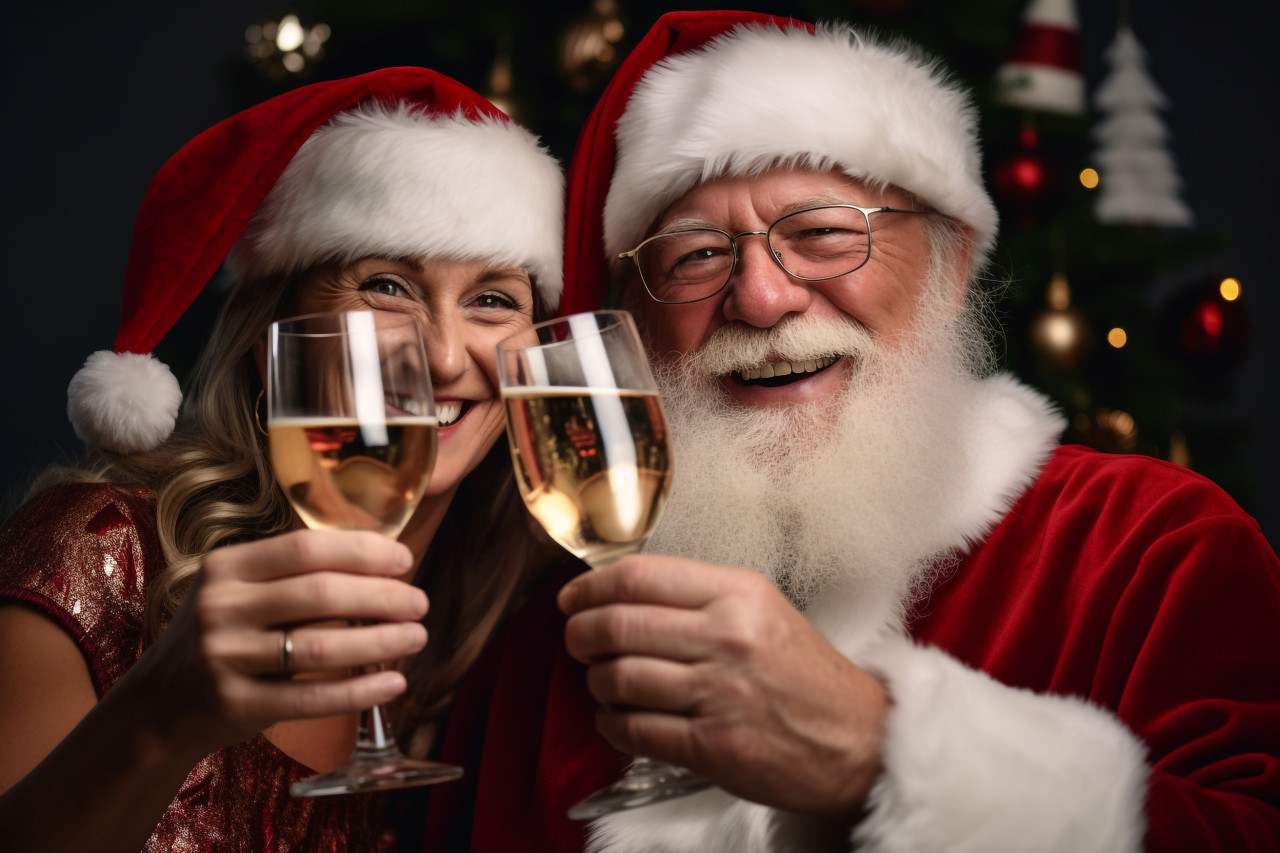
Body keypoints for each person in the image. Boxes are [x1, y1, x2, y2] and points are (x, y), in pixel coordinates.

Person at [417, 10, 1280, 852]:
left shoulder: (1151, 549)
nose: (759, 299)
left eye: (825, 235)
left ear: (949, 270)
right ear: (636, 325)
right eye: (696, 256)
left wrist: (884, 758)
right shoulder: (547, 646)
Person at [0, 66, 568, 852]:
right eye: (386, 285)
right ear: (276, 346)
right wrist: (160, 715)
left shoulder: (495, 639)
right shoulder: (100, 552)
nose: (441, 356)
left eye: (494, 298)